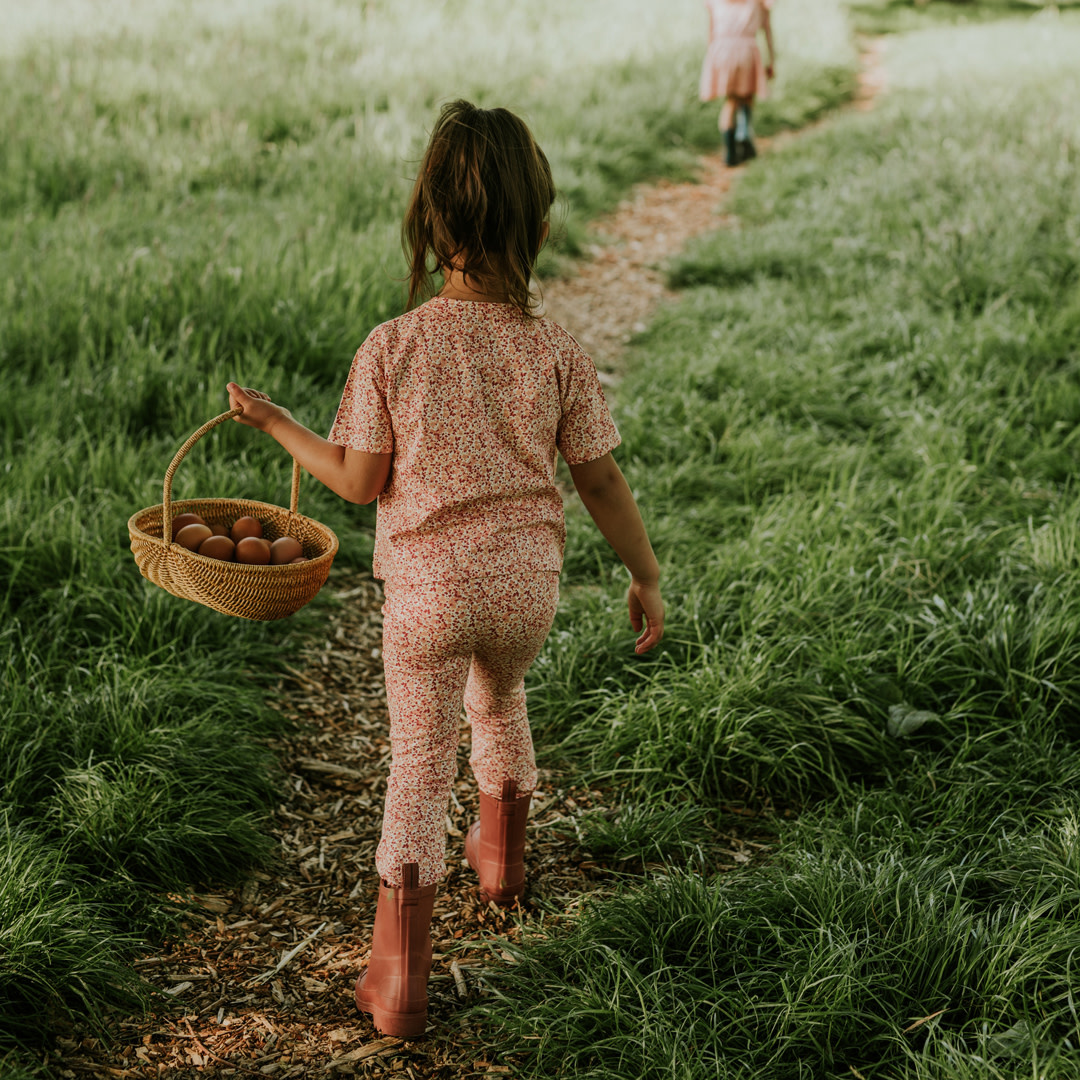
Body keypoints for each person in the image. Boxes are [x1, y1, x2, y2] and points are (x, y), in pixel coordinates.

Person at [225, 100, 665, 1040]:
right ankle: (502, 862)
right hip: (522, 594)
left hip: (426, 596)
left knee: (417, 767)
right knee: (499, 701)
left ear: (429, 226)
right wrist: (647, 575)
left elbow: (355, 480)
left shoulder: (393, 346)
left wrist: (274, 424)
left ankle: (397, 982)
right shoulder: (556, 353)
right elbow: (600, 480)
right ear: (539, 230)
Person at [699, 0, 776, 167]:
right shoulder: (758, 2)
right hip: (747, 49)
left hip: (721, 49)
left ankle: (730, 152)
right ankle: (744, 135)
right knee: (747, 95)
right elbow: (767, 29)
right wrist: (771, 59)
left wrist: (711, 57)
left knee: (731, 101)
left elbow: (710, 30)